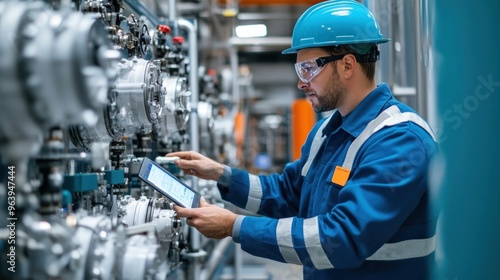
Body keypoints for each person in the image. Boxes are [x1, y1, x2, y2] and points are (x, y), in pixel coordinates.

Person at [169, 1, 438, 279]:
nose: (301, 82)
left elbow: (341, 237)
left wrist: (234, 226)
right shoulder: (327, 132)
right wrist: (220, 174)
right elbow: (289, 193)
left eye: (308, 68)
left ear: (347, 65)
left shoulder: (400, 141)